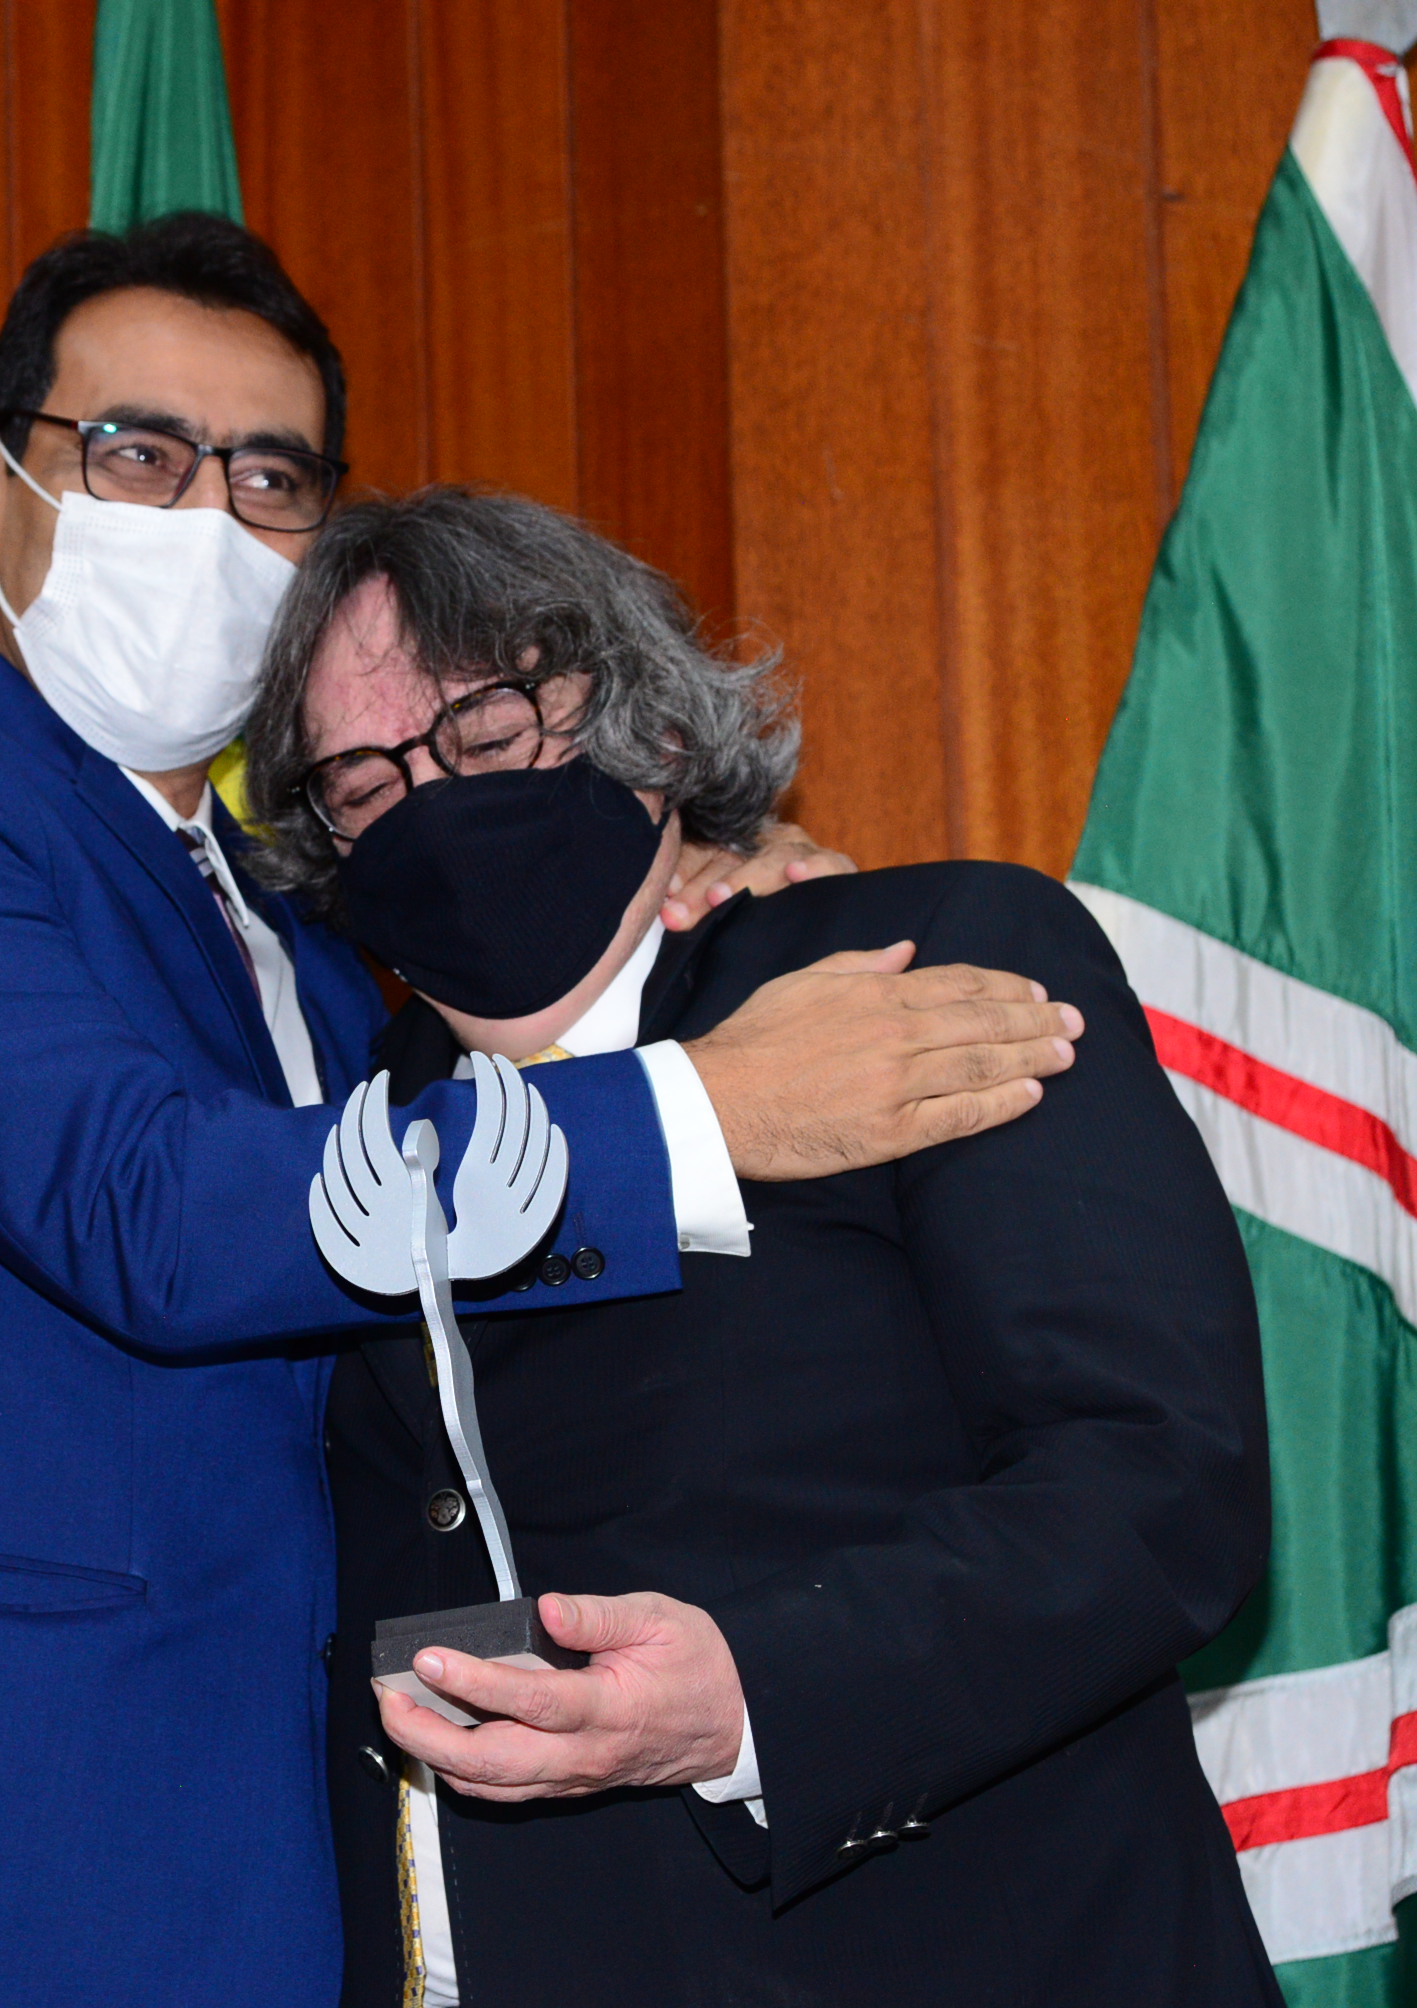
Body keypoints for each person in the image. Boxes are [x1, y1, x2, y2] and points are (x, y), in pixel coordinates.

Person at [0, 217, 1086, 2007]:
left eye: (269, 478)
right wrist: (702, 1108)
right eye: (137, 453)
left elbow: (412, 1332)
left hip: (245, 1887)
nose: (207, 516)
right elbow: (143, 1208)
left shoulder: (320, 947)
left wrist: (673, 900)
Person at [239, 488, 1275, 2005]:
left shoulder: (917, 973)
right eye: (363, 779)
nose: (433, 805)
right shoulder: (330, 1138)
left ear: (653, 735)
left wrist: (759, 1697)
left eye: (489, 734)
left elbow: (1159, 1478)